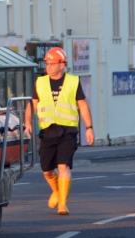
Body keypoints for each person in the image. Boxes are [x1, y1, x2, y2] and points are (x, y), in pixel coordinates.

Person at [24, 47, 94, 215]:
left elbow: (82, 105)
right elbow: (32, 104)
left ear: (62, 65)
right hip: (48, 131)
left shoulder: (73, 81)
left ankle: (63, 204)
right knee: (47, 170)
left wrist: (89, 128)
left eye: (52, 63)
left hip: (68, 130)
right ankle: (56, 191)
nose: (48, 66)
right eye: (47, 63)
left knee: (63, 166)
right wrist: (28, 122)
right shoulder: (40, 82)